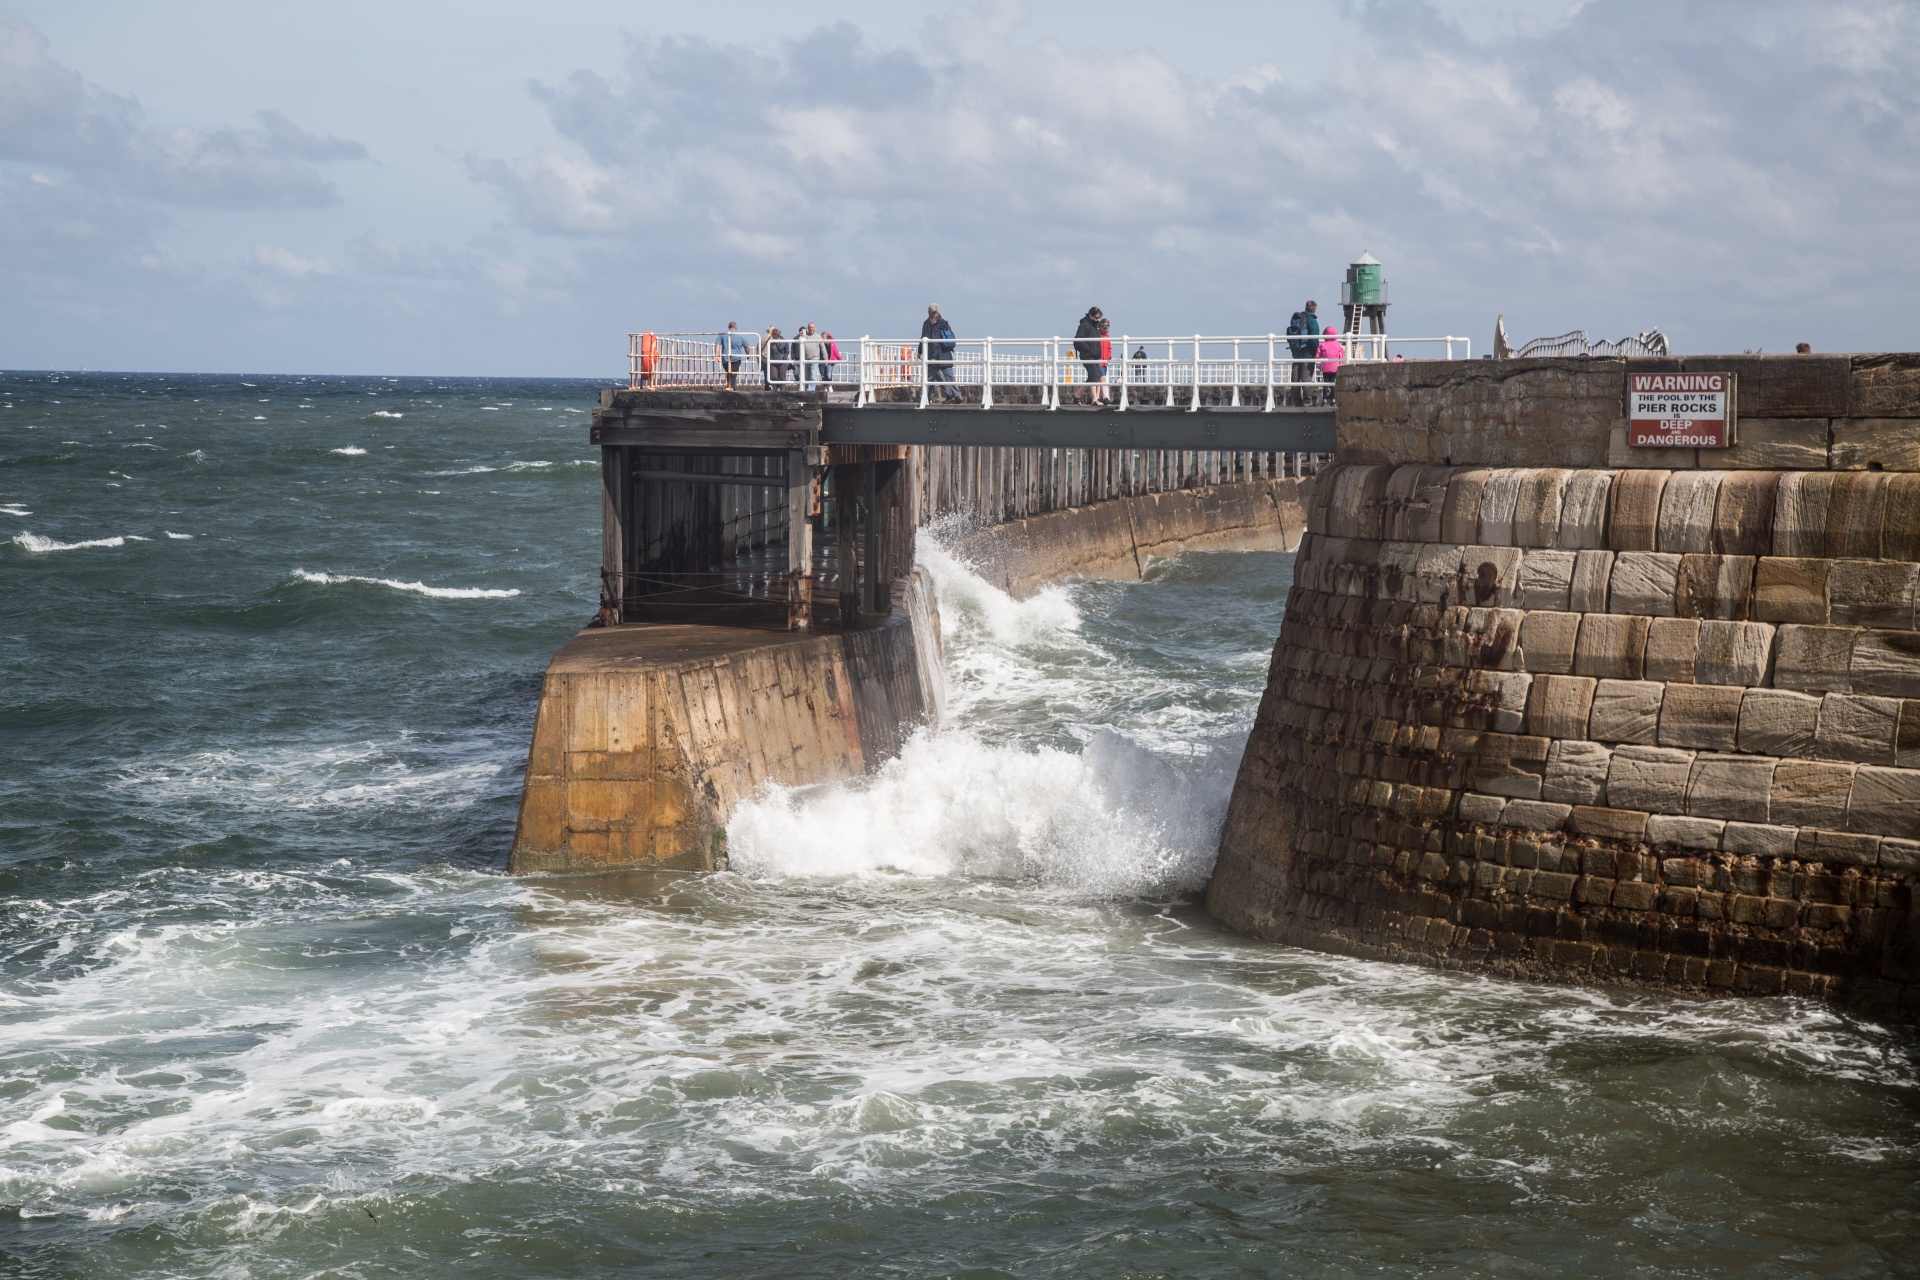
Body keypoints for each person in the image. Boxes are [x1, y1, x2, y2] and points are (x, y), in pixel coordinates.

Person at [922, 304, 960, 402]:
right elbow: (952, 337)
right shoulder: (945, 324)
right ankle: (956, 395)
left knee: (930, 377)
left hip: (936, 356)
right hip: (946, 354)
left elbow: (933, 342)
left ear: (930, 314)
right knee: (949, 376)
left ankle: (924, 398)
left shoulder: (932, 326)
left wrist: (932, 356)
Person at [1286, 301, 1322, 404]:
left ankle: (1296, 400)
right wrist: (1316, 352)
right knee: (1306, 377)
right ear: (1314, 309)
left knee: (1295, 377)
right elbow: (1314, 340)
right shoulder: (1312, 321)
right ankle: (1307, 401)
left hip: (1297, 352)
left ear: (1305, 308)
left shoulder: (1297, 319)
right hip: (1307, 354)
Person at [1072, 306, 1103, 403]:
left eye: (1099, 318)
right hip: (1087, 355)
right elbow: (1078, 340)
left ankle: (1077, 394)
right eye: (1096, 317)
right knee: (1093, 376)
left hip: (1095, 356)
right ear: (1090, 315)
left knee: (1093, 377)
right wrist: (1089, 349)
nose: (1097, 320)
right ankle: (1094, 399)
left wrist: (1097, 352)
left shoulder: (1096, 326)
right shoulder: (1084, 325)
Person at [716, 321, 751, 391]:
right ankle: (731, 387)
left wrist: (717, 355)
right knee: (733, 372)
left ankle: (729, 386)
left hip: (725, 357)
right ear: (736, 327)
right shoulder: (740, 335)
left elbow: (717, 345)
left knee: (728, 372)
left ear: (728, 327)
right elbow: (746, 347)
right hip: (736, 357)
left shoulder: (722, 334)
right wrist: (748, 354)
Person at [1316, 324, 1346, 405]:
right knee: (1333, 382)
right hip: (1334, 367)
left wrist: (1318, 365)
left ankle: (1324, 400)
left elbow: (1318, 355)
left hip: (1325, 367)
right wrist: (1341, 364)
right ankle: (1333, 400)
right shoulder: (1338, 345)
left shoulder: (1322, 345)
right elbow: (1341, 356)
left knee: (1325, 383)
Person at [1095, 318, 1113, 405]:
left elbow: (1109, 347)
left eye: (1107, 327)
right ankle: (1104, 396)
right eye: (1104, 327)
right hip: (1099, 360)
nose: (1105, 329)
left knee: (1099, 380)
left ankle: (1097, 396)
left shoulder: (1107, 335)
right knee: (1102, 378)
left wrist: (1109, 356)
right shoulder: (1097, 335)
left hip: (1105, 360)